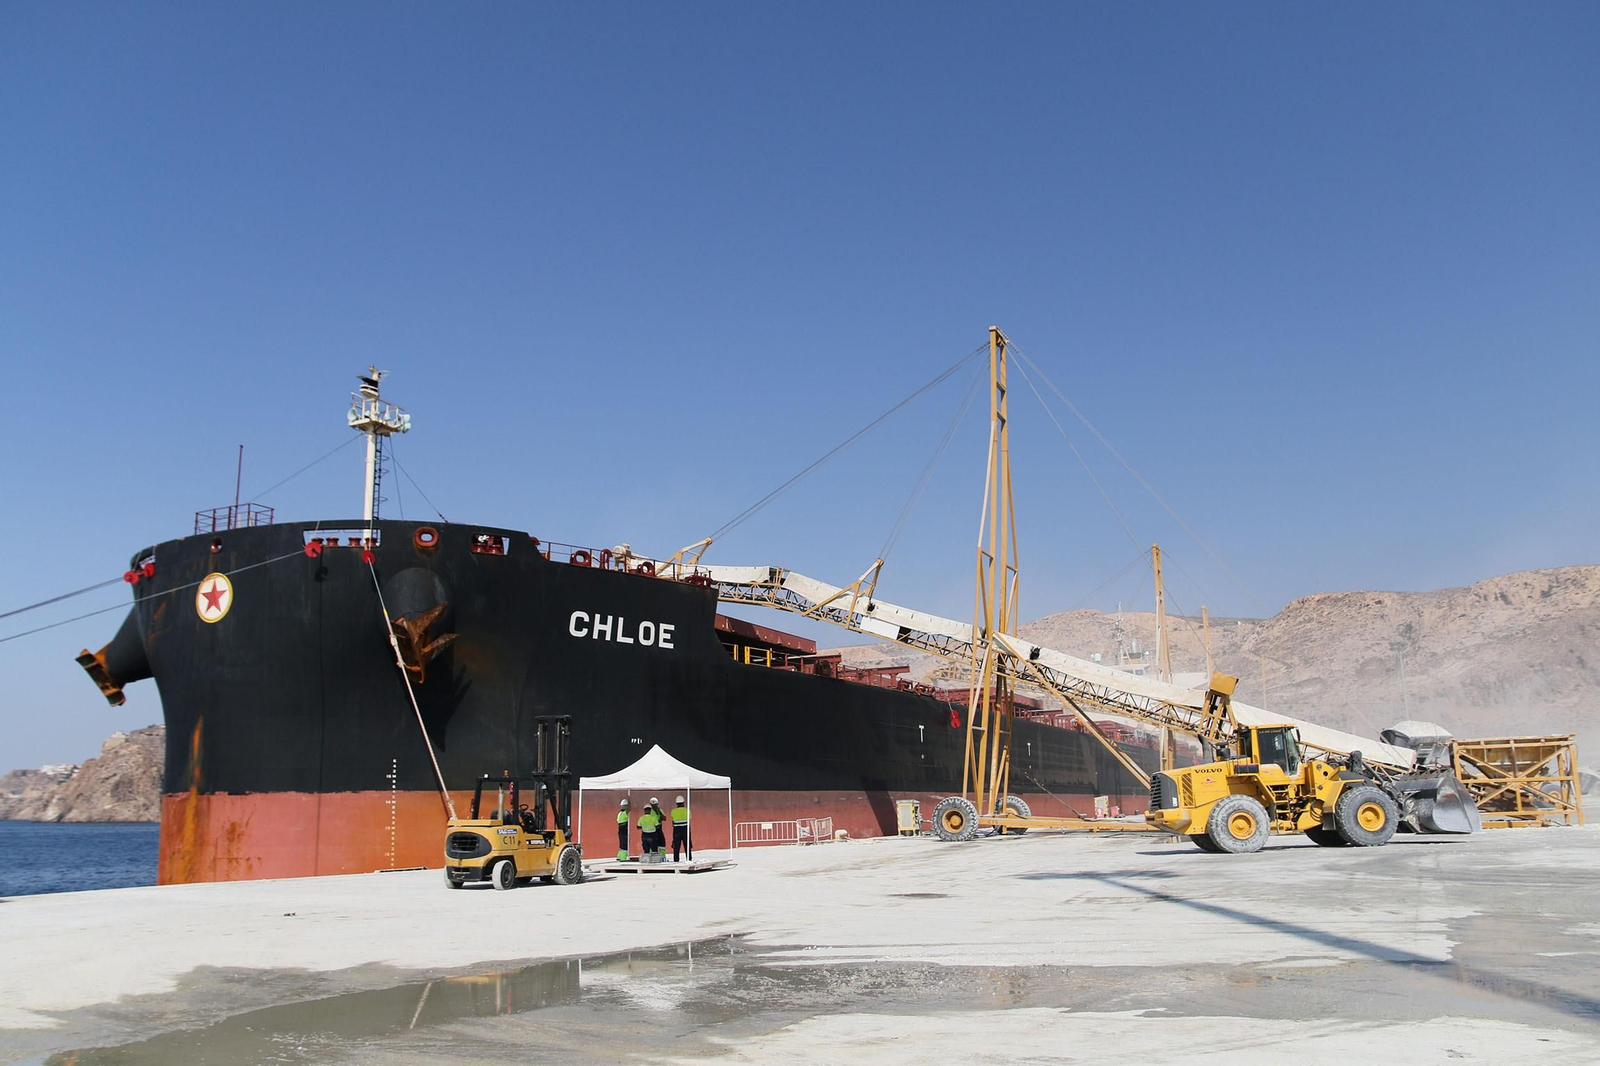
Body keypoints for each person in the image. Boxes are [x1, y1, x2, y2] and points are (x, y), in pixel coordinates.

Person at [670, 795, 692, 862]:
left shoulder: (673, 811)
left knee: (676, 846)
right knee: (687, 845)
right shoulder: (687, 810)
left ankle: (676, 860)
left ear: (676, 803)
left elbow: (672, 821)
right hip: (685, 829)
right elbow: (689, 818)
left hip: (677, 830)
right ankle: (689, 859)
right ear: (683, 802)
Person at [617, 798, 631, 862]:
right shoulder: (624, 813)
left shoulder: (619, 813)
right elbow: (629, 810)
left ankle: (619, 856)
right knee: (624, 844)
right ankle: (623, 857)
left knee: (621, 844)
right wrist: (629, 803)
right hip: (624, 830)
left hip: (620, 830)